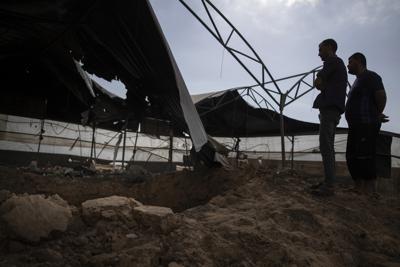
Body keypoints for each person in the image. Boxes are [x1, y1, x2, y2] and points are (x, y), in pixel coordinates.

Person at [345, 52, 387, 195]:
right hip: (355, 125)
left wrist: (376, 113)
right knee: (351, 155)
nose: (348, 65)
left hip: (367, 124)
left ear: (358, 61)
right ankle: (358, 186)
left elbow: (381, 96)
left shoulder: (371, 76)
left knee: (365, 155)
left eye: (350, 62)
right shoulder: (357, 81)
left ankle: (371, 191)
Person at [311, 39, 348, 196]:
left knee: (325, 146)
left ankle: (330, 186)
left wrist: (320, 83)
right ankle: (329, 181)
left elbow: (318, 82)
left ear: (329, 47)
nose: (319, 53)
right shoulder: (337, 64)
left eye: (321, 49)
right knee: (329, 146)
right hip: (334, 109)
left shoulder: (332, 61)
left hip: (329, 109)